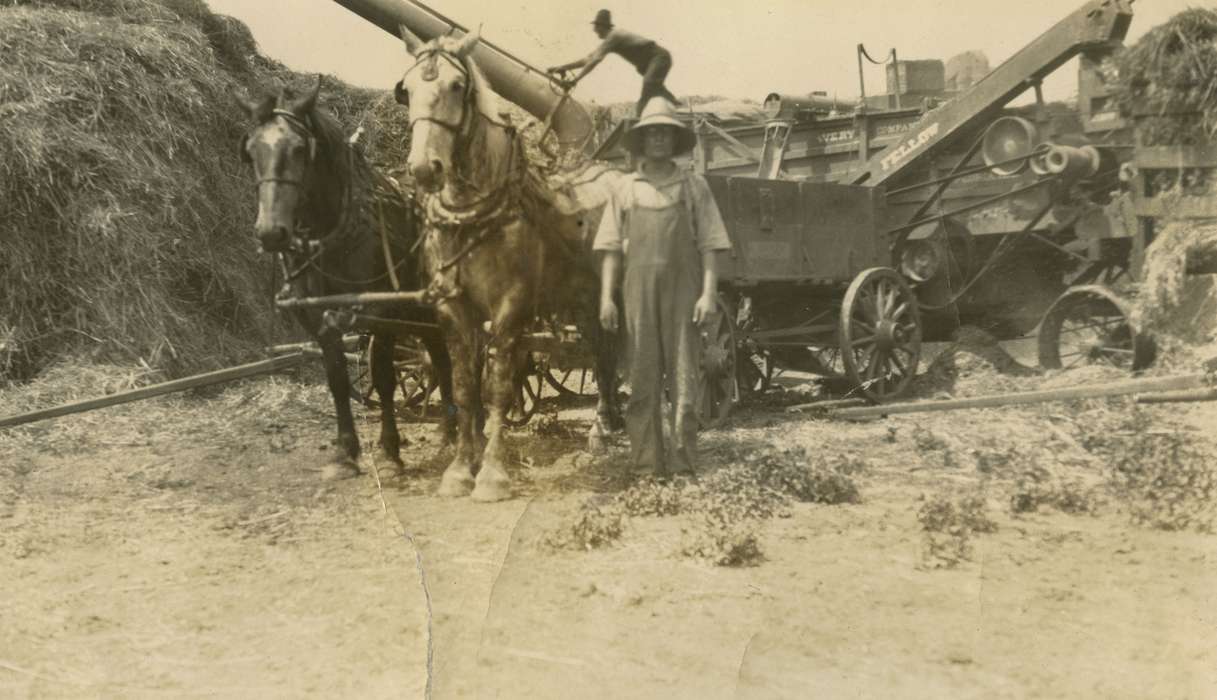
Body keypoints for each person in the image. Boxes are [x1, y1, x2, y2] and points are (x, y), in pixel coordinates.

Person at [594, 97, 731, 478]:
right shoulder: (624, 188)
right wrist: (607, 297)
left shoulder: (694, 186)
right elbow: (609, 250)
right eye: (651, 132)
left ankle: (684, 468)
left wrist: (707, 294)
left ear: (674, 140)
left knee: (685, 382)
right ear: (641, 140)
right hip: (636, 296)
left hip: (683, 295)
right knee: (641, 382)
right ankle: (645, 470)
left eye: (665, 133)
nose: (658, 139)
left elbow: (710, 246)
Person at [546, 9, 678, 116]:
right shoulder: (610, 40)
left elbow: (595, 61)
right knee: (655, 88)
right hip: (652, 62)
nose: (595, 32)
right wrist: (562, 67)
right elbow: (588, 59)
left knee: (649, 85)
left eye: (596, 28)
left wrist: (575, 80)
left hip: (659, 58)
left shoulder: (613, 37)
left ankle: (638, 119)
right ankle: (677, 106)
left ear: (602, 26)